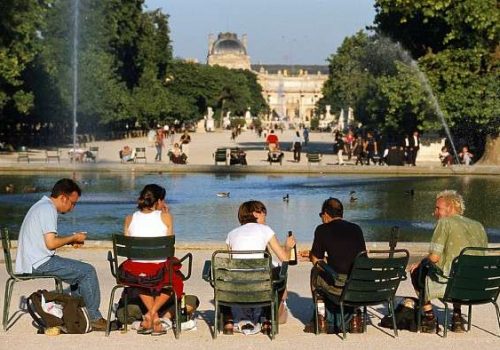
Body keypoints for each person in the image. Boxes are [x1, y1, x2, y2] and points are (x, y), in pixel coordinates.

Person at [15, 178, 107, 331]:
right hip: (38, 262)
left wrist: (69, 241)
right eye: (73, 203)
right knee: (87, 271)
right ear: (63, 197)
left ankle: (77, 314)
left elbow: (46, 241)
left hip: (32, 259)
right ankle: (94, 317)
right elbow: (51, 244)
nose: (73, 207)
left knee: (79, 272)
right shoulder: (48, 209)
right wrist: (73, 237)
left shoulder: (41, 205)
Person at [409, 190, 488, 333]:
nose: (435, 212)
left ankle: (429, 318)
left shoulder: (445, 223)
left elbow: (434, 258)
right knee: (459, 269)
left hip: (452, 286)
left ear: (450, 207)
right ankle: (457, 317)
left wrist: (419, 263)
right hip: (477, 286)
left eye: (438, 208)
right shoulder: (478, 225)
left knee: (417, 271)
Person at [224, 200, 296, 335]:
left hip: (238, 287)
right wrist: (288, 247)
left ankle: (229, 318)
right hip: (260, 287)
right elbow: (285, 259)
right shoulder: (266, 230)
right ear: (254, 214)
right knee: (280, 273)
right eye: (263, 213)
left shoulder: (231, 234)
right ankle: (269, 316)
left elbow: (232, 264)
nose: (265, 216)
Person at [121, 184, 183, 335]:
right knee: (176, 281)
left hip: (134, 271)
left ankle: (151, 316)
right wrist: (166, 215)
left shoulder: (129, 219)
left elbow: (130, 250)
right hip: (158, 269)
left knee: (140, 279)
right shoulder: (166, 217)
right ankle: (153, 315)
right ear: (159, 201)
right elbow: (167, 246)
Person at [305, 197, 366, 334]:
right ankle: (355, 315)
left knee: (315, 271)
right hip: (358, 284)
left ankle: (321, 315)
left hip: (339, 285)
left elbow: (317, 260)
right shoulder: (356, 229)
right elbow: (353, 256)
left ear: (326, 214)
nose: (321, 218)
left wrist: (311, 256)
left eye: (321, 215)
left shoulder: (322, 229)